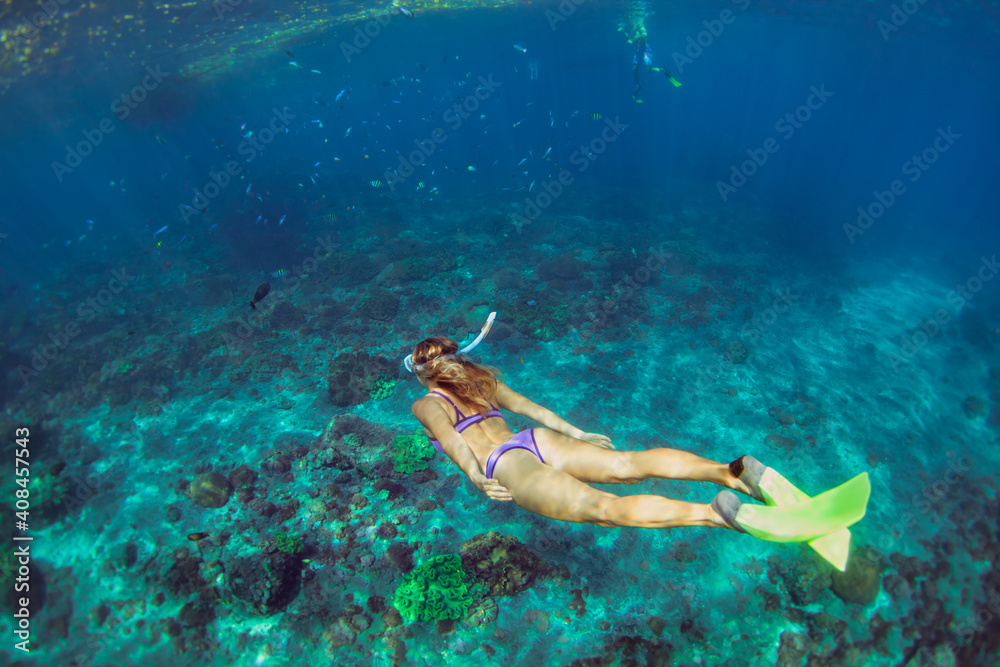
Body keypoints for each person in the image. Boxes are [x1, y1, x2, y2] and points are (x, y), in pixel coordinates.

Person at [404, 313, 765, 531]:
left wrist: (477, 477)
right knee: (628, 464)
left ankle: (712, 514)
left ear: (423, 375)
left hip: (505, 464)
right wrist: (577, 433)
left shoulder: (426, 404)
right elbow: (533, 409)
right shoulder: (482, 380)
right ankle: (727, 472)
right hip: (536, 439)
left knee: (603, 508)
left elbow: (452, 441)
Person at [627, 22, 681, 102]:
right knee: (634, 69)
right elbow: (629, 37)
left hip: (646, 52)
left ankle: (663, 70)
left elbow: (644, 35)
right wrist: (623, 32)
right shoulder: (633, 30)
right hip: (639, 52)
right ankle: (637, 85)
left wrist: (633, 39)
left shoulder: (641, 27)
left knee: (649, 70)